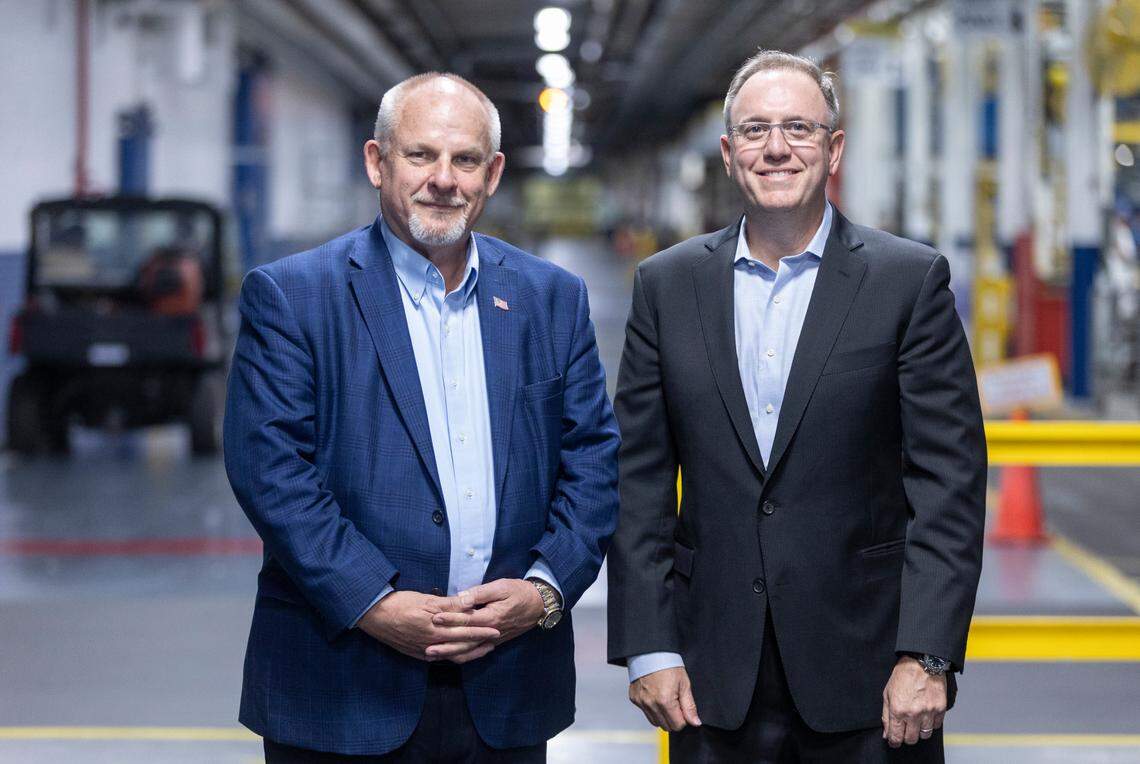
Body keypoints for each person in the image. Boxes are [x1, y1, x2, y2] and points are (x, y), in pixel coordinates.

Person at [224, 72, 619, 762]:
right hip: (342, 685)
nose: (443, 178)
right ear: (377, 161)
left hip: (507, 686)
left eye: (465, 159)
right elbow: (271, 471)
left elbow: (592, 460)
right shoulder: (294, 297)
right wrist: (373, 603)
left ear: (492, 174)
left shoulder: (552, 299)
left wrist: (544, 591)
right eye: (419, 155)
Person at [606, 49, 986, 762]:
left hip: (872, 677)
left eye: (799, 129)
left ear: (834, 148)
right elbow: (638, 479)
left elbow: (950, 483)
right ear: (727, 153)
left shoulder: (908, 282)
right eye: (755, 131)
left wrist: (928, 655)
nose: (776, 148)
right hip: (710, 677)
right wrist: (647, 643)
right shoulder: (667, 285)